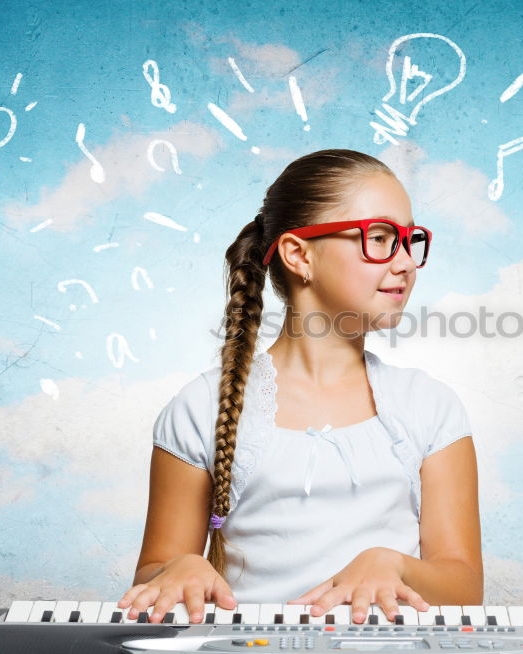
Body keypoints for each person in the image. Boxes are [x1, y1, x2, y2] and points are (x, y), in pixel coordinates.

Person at [118, 149, 481, 626]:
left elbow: (465, 588)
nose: (406, 263)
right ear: (298, 255)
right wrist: (181, 566)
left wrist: (394, 564)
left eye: (409, 241)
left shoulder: (430, 408)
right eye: (379, 238)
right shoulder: (201, 407)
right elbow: (153, 571)